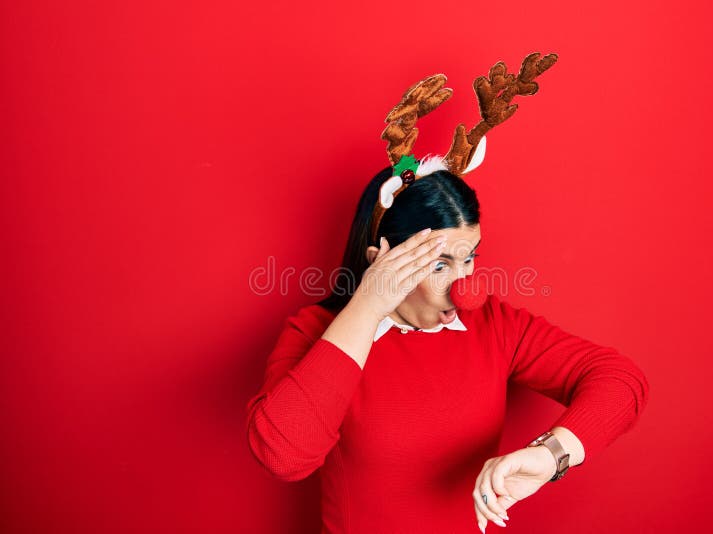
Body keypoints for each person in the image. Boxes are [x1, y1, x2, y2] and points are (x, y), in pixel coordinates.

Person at [245, 55, 650, 534]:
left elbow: (619, 379)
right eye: (439, 263)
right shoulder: (315, 333)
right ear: (381, 256)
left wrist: (552, 454)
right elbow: (283, 456)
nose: (466, 286)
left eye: (470, 256)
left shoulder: (495, 325)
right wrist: (369, 304)